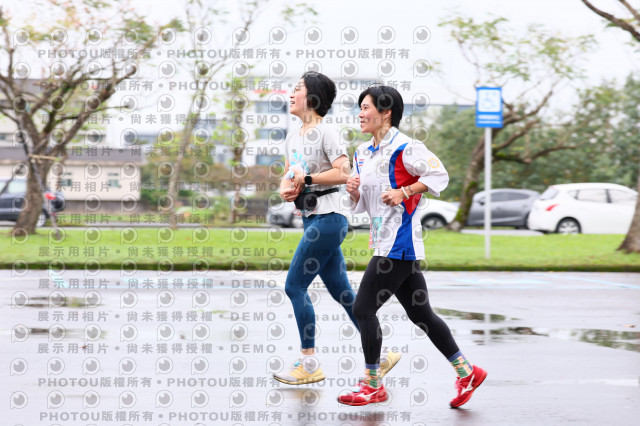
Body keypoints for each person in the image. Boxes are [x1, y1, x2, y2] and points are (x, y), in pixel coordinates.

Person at [337, 85, 487, 407]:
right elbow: (363, 205)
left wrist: (404, 192)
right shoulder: (362, 153)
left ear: (386, 113)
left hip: (400, 241)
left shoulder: (406, 147)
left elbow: (439, 175)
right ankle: (467, 372)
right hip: (384, 240)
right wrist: (354, 191)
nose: (360, 114)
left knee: (363, 309)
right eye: (360, 108)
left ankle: (372, 385)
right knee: (422, 314)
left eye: (366, 107)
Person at [273, 73, 401, 385]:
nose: (291, 93)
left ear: (312, 97)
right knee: (342, 292)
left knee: (294, 287)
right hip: (311, 217)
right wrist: (285, 189)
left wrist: (308, 180)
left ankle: (309, 363)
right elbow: (289, 175)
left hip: (329, 218)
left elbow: (345, 173)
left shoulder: (326, 131)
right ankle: (383, 355)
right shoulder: (292, 136)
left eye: (297, 89)